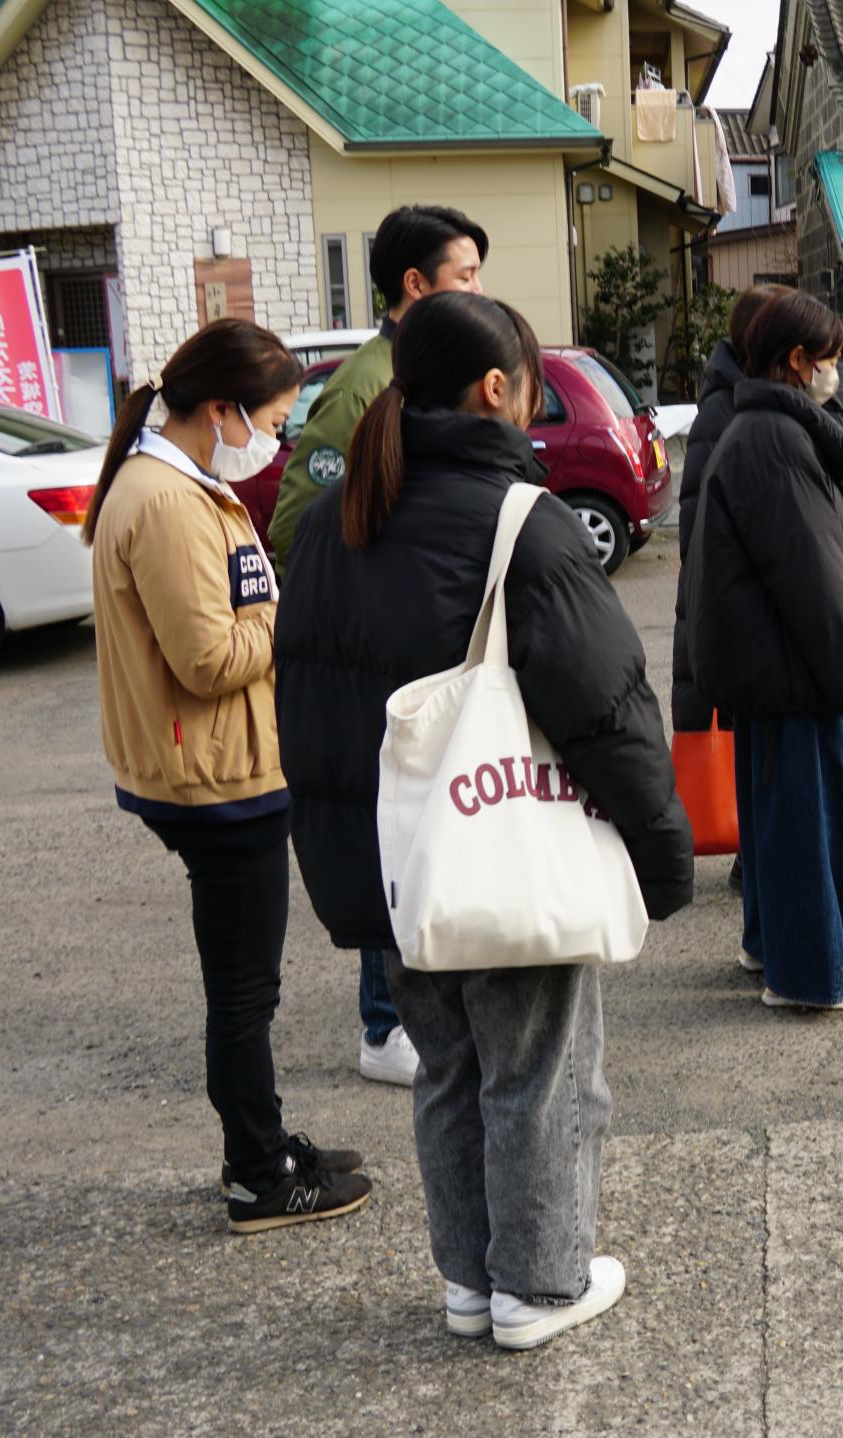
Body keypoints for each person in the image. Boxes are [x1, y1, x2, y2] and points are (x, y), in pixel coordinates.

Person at [273, 293, 693, 1348]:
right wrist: (662, 849)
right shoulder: (522, 524)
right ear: (496, 389)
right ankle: (540, 1286)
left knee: (451, 1071)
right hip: (509, 850)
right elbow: (609, 708)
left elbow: (308, 709)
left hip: (401, 862)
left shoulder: (330, 525)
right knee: (539, 1071)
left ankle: (470, 1279)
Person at [84, 319, 371, 1234]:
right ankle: (257, 1173)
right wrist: (289, 619)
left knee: (244, 985)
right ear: (220, 410)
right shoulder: (166, 502)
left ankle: (266, 1144)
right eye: (274, 420)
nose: (278, 441)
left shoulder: (180, 485)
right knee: (245, 993)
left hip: (217, 765)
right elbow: (207, 658)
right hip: (213, 776)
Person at [266, 203, 489, 1088]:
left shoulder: (428, 366)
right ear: (415, 284)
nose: (478, 288)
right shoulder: (365, 384)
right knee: (387, 828)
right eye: (465, 274)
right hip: (378, 652)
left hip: (428, 649)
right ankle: (384, 1024)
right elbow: (295, 518)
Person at [685, 294, 843, 1009]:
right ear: (797, 361)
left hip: (763, 667)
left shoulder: (753, 429)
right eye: (827, 357)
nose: (834, 370)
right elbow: (813, 578)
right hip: (792, 670)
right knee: (812, 825)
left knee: (778, 818)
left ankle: (769, 948)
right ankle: (808, 978)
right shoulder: (775, 438)